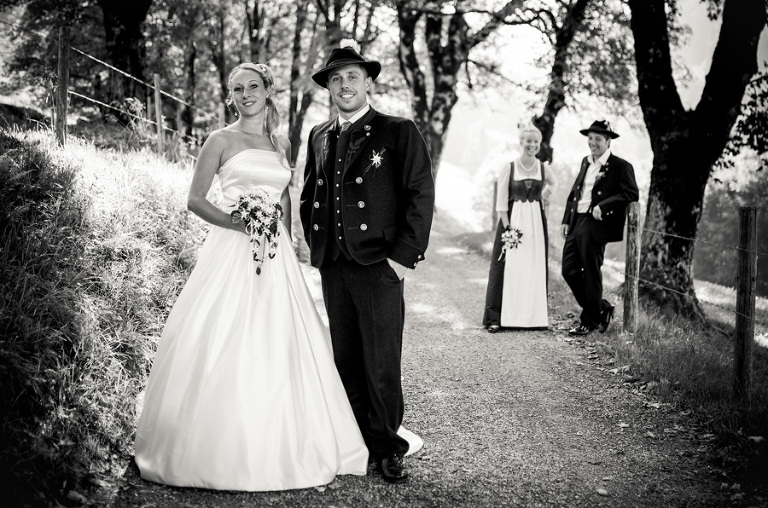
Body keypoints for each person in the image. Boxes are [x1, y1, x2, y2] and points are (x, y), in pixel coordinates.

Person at [134, 63, 369, 491]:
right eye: (237, 89)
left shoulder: (280, 142)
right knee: (225, 334)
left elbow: (283, 197)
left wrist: (291, 243)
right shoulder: (219, 140)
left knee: (285, 338)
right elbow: (194, 200)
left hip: (276, 256)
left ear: (267, 91)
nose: (245, 94)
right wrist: (236, 223)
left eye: (253, 87)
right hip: (232, 249)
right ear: (231, 96)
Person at [300, 46, 435, 484]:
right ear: (328, 87)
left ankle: (387, 446)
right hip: (334, 265)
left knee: (381, 360)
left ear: (368, 82)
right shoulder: (318, 134)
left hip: (380, 264)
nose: (345, 85)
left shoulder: (397, 131)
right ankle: (357, 440)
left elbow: (420, 195)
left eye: (352, 77)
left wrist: (401, 260)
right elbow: (308, 197)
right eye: (336, 79)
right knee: (345, 358)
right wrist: (317, 246)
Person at [561, 120, 639, 336]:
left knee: (592, 272)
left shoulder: (621, 166)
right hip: (577, 221)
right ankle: (602, 308)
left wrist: (603, 206)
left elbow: (631, 194)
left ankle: (589, 321)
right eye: (590, 138)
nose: (592, 143)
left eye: (597, 139)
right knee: (568, 270)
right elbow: (576, 192)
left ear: (608, 141)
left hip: (595, 225)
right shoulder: (585, 162)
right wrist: (567, 219)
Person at [483, 124, 558, 332]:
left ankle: (531, 317)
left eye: (536, 142)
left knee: (532, 266)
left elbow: (554, 184)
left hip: (535, 222)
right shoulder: (510, 167)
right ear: (521, 142)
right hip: (513, 221)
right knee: (508, 267)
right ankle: (498, 318)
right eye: (528, 141)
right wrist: (508, 229)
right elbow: (500, 203)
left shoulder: (543, 168)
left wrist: (542, 198)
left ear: (539, 144)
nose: (532, 145)